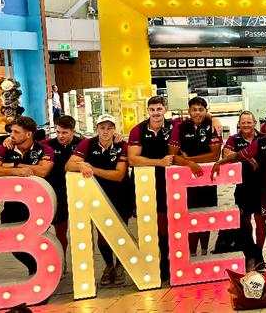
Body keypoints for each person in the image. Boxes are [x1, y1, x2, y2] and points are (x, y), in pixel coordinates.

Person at [66, 114, 131, 286]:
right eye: (102, 127)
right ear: (97, 129)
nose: (106, 131)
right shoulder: (88, 143)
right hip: (97, 196)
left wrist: (92, 168)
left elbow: (119, 175)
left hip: (121, 195)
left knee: (121, 232)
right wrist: (81, 165)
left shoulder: (122, 145)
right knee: (102, 236)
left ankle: (120, 266)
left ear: (114, 129)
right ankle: (109, 265)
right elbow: (69, 165)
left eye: (109, 128)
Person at [0, 116, 54, 275]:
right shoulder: (4, 147)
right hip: (11, 206)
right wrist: (14, 169)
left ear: (28, 134)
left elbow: (43, 171)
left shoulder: (45, 150)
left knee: (36, 243)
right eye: (11, 131)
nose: (11, 135)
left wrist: (13, 165)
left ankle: (40, 275)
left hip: (37, 208)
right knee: (13, 243)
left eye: (16, 131)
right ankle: (35, 272)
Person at [127, 96, 175, 281]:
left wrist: (214, 119)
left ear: (165, 110)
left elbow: (199, 117)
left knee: (165, 223)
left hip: (168, 183)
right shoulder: (137, 130)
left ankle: (166, 260)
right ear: (148, 111)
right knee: (148, 224)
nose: (156, 113)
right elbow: (132, 159)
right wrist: (159, 162)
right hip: (144, 184)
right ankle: (151, 261)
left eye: (159, 109)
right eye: (152, 110)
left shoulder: (174, 126)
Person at [169, 97, 221, 256]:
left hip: (207, 181)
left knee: (206, 217)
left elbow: (214, 156)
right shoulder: (179, 127)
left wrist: (187, 160)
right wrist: (189, 165)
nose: (197, 112)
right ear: (189, 111)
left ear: (206, 111)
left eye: (201, 109)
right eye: (194, 109)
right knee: (189, 218)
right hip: (186, 183)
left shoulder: (212, 126)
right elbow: (172, 156)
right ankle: (191, 253)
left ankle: (204, 251)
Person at [223, 111, 265, 266]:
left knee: (261, 222)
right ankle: (250, 251)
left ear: (255, 123)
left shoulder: (263, 138)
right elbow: (226, 153)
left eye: (249, 122)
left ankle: (259, 253)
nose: (246, 125)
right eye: (243, 122)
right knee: (245, 223)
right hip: (242, 187)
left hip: (262, 187)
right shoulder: (234, 139)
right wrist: (248, 156)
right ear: (239, 124)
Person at [41, 116, 83, 266]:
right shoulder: (47, 144)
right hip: (55, 192)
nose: (60, 136)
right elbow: (27, 143)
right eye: (58, 132)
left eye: (64, 133)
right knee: (59, 230)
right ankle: (61, 262)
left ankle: (76, 262)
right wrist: (9, 140)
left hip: (77, 193)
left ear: (73, 131)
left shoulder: (83, 143)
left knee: (77, 231)